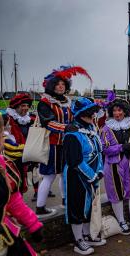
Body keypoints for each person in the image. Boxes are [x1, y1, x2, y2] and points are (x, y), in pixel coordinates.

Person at [0, 104, 42, 256]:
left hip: (5, 240)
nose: (5, 134)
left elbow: (13, 200)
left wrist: (33, 224)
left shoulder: (0, 163)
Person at [36, 66, 91, 215]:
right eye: (57, 84)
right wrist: (66, 127)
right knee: (49, 176)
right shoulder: (45, 102)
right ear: (51, 86)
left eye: (63, 84)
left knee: (65, 173)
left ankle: (65, 201)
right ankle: (40, 207)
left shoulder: (67, 102)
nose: (60, 86)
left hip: (67, 143)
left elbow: (75, 119)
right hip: (52, 145)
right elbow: (47, 122)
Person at [63, 97, 106, 255]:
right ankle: (78, 239)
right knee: (77, 206)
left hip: (93, 175)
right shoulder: (72, 132)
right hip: (77, 176)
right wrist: (91, 175)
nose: (94, 115)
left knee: (88, 207)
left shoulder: (91, 129)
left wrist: (99, 171)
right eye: (91, 113)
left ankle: (87, 235)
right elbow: (75, 160)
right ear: (82, 114)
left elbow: (99, 152)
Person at [100, 98, 130, 235]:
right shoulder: (106, 129)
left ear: (125, 111)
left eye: (119, 110)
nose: (117, 113)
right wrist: (122, 147)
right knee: (116, 192)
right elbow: (104, 148)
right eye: (114, 110)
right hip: (114, 164)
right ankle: (121, 220)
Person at [6, 93, 42, 199]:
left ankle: (37, 192)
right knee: (18, 178)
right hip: (14, 154)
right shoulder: (8, 119)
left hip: (30, 150)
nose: (25, 108)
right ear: (16, 107)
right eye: (23, 106)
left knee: (35, 172)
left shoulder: (31, 119)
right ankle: (18, 200)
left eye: (27, 106)